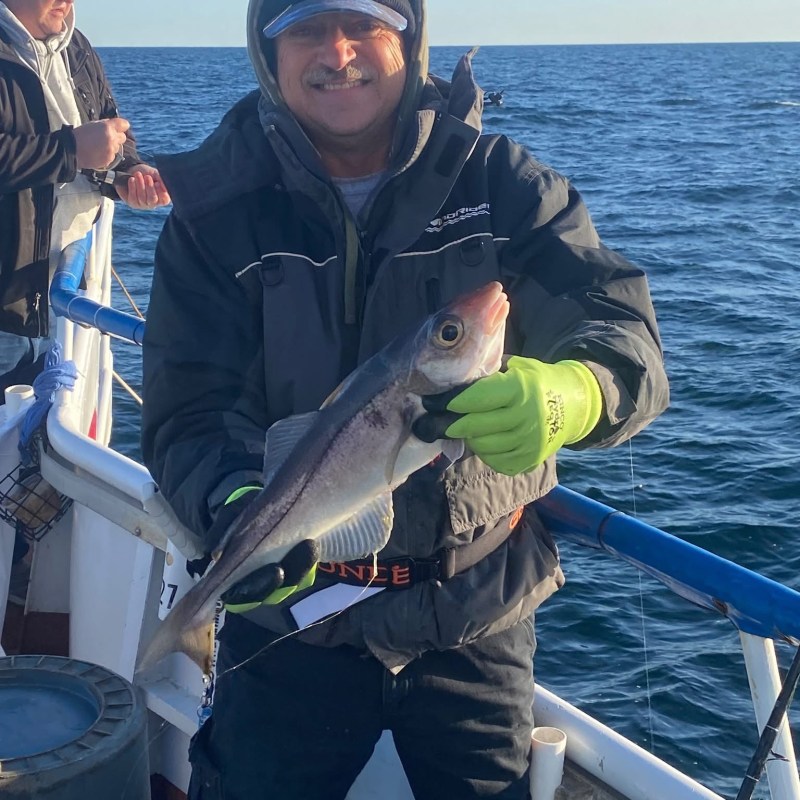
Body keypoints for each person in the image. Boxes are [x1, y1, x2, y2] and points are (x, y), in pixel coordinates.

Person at [142, 1, 670, 798]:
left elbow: (618, 324)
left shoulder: (503, 183)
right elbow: (187, 404)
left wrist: (576, 394)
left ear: (411, 40)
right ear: (268, 50)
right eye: (307, 29)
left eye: (365, 23)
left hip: (474, 618)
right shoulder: (217, 212)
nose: (338, 51)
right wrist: (233, 499)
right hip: (290, 625)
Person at [0, 0, 171, 395]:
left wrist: (128, 175)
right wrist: (71, 150)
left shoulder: (77, 47)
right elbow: (75, 147)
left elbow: (113, 130)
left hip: (55, 295)